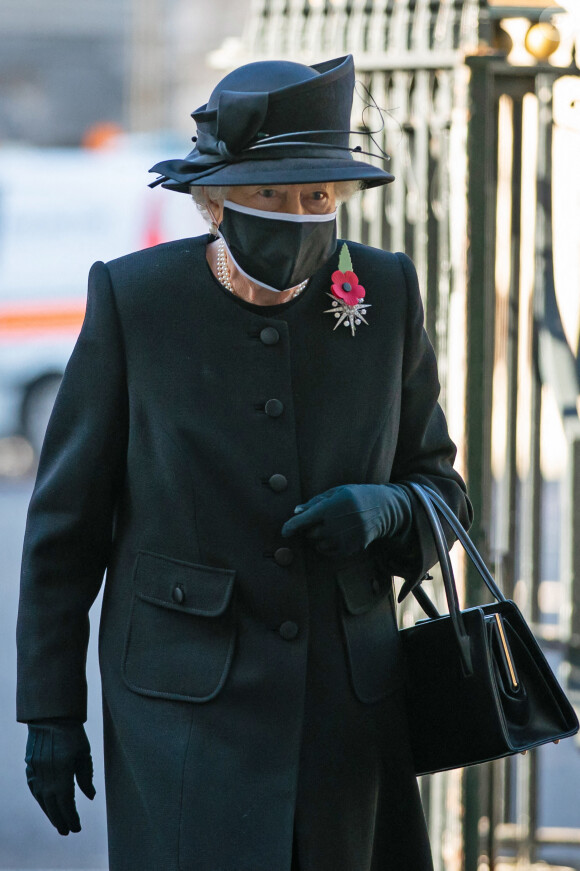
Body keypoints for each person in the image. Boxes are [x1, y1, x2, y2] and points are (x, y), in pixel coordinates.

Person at [17, 54, 472, 871]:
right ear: (215, 203)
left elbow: (441, 488)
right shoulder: (135, 300)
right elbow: (65, 524)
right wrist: (50, 710)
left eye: (317, 197)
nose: (300, 216)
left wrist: (387, 507)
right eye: (271, 195)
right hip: (183, 709)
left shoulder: (385, 292)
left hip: (347, 710)